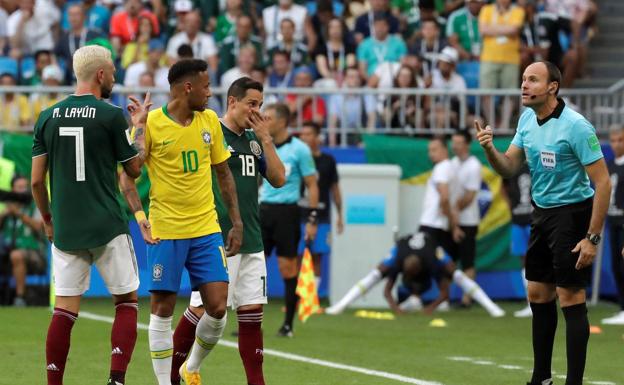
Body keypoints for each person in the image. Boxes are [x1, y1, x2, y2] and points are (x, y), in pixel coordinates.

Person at [475, 60, 611, 385]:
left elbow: (603, 183)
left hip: (573, 212)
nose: (524, 85)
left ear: (553, 86)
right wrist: (490, 149)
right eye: (523, 79)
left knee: (570, 296)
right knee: (537, 293)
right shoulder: (526, 119)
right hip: (542, 213)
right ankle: (542, 379)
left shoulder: (577, 126)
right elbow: (508, 168)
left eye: (533, 80)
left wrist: (592, 238)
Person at [119, 58, 242, 385]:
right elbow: (129, 176)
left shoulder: (210, 122)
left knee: (217, 308)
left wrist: (237, 222)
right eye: (206, 86)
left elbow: (224, 173)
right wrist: (141, 217)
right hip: (166, 231)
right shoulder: (152, 123)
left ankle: (191, 367)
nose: (210, 92)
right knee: (162, 309)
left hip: (206, 229)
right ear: (188, 87)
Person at [31, 45, 146, 385]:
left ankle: (54, 382)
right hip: (107, 224)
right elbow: (135, 169)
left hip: (66, 227)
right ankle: (116, 379)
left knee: (64, 310)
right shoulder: (111, 115)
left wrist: (48, 219)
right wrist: (138, 126)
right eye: (111, 70)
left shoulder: (47, 116)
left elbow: (37, 180)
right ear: (100, 75)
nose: (114, 75)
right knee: (125, 302)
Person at [170, 77, 286, 385]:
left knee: (251, 316)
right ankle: (175, 375)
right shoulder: (209, 132)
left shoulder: (252, 140)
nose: (256, 111)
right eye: (251, 104)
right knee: (203, 309)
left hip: (252, 239)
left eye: (260, 105)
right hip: (215, 237)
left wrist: (266, 139)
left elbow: (279, 179)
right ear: (232, 101)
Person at [325, 232, 505, 317]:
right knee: (375, 274)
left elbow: (445, 293)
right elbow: (387, 290)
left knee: (456, 274)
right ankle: (341, 305)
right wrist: (396, 309)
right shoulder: (397, 259)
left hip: (431, 245)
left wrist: (431, 308)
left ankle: (491, 307)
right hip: (405, 246)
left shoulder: (434, 261)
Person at [260, 102, 319, 337]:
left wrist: (312, 218)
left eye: (269, 118)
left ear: (283, 122)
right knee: (255, 268)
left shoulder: (300, 149)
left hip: (287, 213)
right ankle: (254, 324)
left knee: (287, 268)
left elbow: (312, 184)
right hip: (263, 210)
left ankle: (287, 324)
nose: (264, 122)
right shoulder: (262, 145)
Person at [299, 121, 344, 290]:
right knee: (297, 255)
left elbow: (335, 189)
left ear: (318, 138)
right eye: (302, 134)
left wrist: (339, 216)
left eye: (308, 134)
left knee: (317, 256)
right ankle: (296, 299)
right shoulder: (296, 157)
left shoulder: (328, 161)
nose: (304, 137)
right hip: (298, 213)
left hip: (322, 216)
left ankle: (312, 297)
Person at [450, 130, 482, 306]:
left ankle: (467, 299)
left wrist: (454, 209)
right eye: (453, 142)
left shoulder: (473, 165)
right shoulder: (452, 163)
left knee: (467, 262)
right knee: (450, 260)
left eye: (458, 142)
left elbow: (470, 195)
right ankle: (445, 297)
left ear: (467, 144)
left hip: (468, 221)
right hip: (453, 221)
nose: (455, 145)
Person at [2, 175, 44, 307]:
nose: (23, 190)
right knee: (14, 255)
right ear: (12, 190)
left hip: (35, 253)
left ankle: (20, 298)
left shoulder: (35, 204)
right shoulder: (7, 206)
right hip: (7, 252)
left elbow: (39, 226)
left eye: (25, 187)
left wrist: (19, 213)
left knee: (16, 255)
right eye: (19, 187)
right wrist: (5, 213)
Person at [502, 162, 534, 318]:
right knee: (524, 260)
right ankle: (531, 302)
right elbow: (504, 186)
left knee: (539, 258)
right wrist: (511, 207)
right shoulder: (512, 166)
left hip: (536, 219)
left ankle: (545, 298)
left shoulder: (537, 161)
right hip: (518, 220)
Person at [602, 124, 624, 325]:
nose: (616, 144)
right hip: (613, 221)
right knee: (616, 265)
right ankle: (622, 308)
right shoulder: (609, 165)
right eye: (614, 140)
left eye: (621, 140)